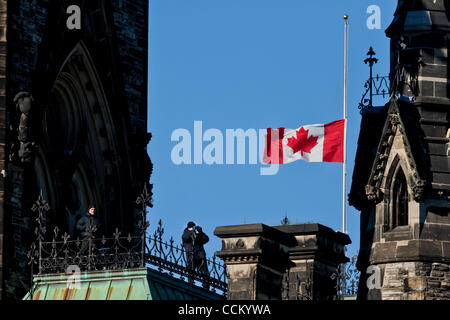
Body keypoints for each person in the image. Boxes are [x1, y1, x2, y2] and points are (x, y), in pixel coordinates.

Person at [182, 221, 210, 286]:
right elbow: (185, 238)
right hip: (191, 256)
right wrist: (191, 231)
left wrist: (201, 232)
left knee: (205, 273)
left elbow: (206, 239)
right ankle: (190, 284)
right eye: (192, 227)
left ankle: (206, 285)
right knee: (191, 272)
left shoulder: (197, 235)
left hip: (200, 256)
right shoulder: (186, 233)